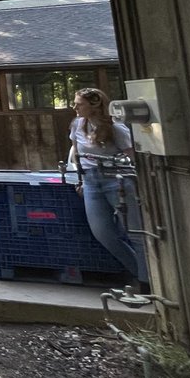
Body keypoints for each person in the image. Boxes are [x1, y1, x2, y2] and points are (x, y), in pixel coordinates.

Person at [67, 88, 143, 282]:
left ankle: (146, 281)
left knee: (133, 231)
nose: (74, 106)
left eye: (79, 103)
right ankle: (138, 270)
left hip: (116, 180)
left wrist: (133, 181)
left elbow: (131, 155)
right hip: (91, 181)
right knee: (102, 232)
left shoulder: (115, 128)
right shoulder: (78, 125)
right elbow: (76, 152)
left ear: (94, 105)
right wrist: (80, 180)